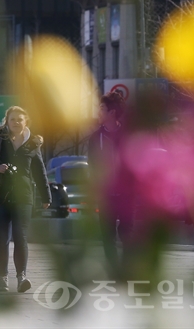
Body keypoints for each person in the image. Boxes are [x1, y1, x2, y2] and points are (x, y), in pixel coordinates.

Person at [0, 106, 51, 293]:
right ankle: (3, 278)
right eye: (13, 119)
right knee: (2, 238)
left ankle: (22, 277)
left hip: (24, 197)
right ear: (7, 122)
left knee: (21, 237)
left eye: (20, 119)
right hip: (0, 196)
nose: (16, 122)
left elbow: (39, 171)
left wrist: (46, 195)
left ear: (26, 121)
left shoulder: (33, 143)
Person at [87, 91, 134, 275]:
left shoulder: (128, 134)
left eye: (101, 108)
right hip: (105, 194)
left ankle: (127, 268)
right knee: (107, 236)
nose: (98, 112)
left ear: (112, 112)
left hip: (126, 194)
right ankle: (114, 269)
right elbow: (92, 165)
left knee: (127, 234)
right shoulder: (94, 138)